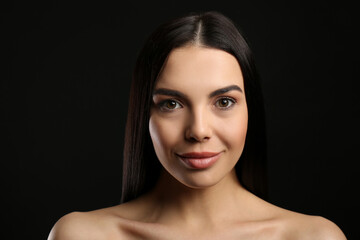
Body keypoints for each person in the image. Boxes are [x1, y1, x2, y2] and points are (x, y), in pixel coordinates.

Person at [48, 11, 347, 239]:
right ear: (144, 116)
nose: (199, 130)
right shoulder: (81, 235)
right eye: (171, 104)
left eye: (224, 102)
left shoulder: (312, 236)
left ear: (250, 110)